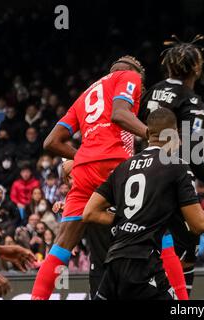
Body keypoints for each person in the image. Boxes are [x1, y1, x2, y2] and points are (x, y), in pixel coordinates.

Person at [31, 55, 147, 300]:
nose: (140, 91)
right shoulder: (129, 76)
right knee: (156, 219)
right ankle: (181, 298)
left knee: (63, 243)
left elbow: (51, 142)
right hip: (114, 166)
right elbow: (119, 114)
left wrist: (82, 156)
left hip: (85, 171)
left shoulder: (86, 94)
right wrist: (155, 135)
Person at [139, 35, 204, 298]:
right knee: (186, 253)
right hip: (173, 180)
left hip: (140, 173)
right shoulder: (192, 102)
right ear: (196, 68)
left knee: (153, 251)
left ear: (168, 65)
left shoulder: (149, 92)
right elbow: (191, 156)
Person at [82, 107, 204, 300]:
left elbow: (89, 212)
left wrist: (125, 221)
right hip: (143, 263)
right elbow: (199, 224)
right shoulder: (176, 166)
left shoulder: (123, 167)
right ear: (174, 135)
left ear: (148, 133)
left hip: (114, 261)